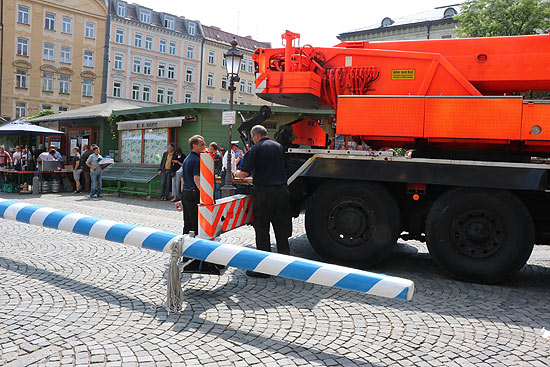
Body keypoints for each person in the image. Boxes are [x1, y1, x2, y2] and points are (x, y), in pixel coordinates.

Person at [235, 125, 292, 278]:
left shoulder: (256, 148)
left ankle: (264, 269)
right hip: (282, 192)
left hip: (265, 194)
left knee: (262, 230)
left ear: (256, 136)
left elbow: (244, 173)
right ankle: (285, 265)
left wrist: (235, 173)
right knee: (281, 230)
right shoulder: (278, 146)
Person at [180, 135, 205, 234]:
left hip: (186, 192)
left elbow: (183, 179)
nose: (204, 146)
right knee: (195, 223)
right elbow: (197, 178)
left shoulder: (187, 159)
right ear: (194, 146)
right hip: (193, 193)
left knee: (187, 222)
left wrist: (182, 194)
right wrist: (204, 194)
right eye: (202, 145)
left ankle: (184, 243)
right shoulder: (197, 159)